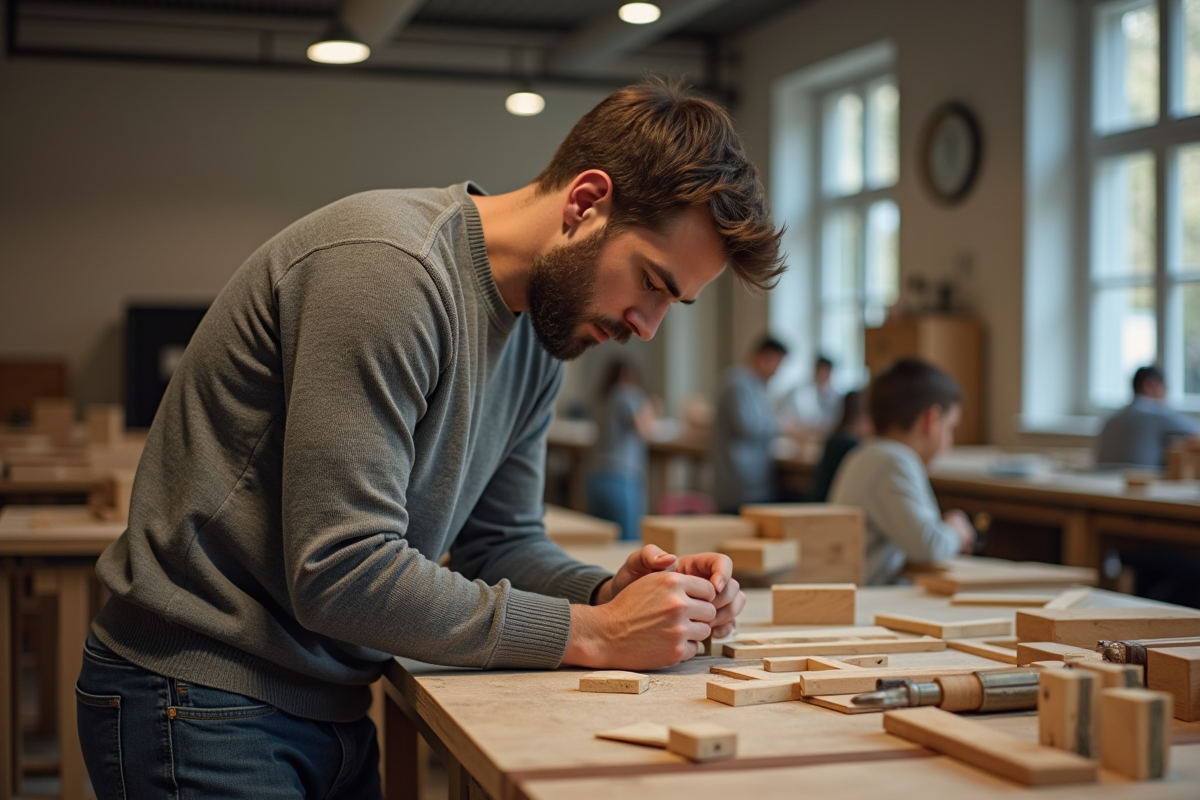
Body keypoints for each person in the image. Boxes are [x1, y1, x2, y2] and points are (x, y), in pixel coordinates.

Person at [77, 79, 784, 798]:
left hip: (332, 700)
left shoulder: (544, 336)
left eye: (675, 303)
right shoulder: (389, 270)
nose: (648, 326)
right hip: (202, 694)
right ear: (585, 203)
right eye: (653, 283)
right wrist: (594, 634)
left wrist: (612, 594)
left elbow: (499, 544)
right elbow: (341, 572)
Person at [828, 358, 976, 585]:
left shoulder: (865, 454)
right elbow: (928, 547)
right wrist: (956, 531)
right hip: (869, 598)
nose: (950, 441)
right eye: (949, 429)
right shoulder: (894, 461)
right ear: (931, 420)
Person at [711, 336, 789, 513]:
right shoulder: (738, 384)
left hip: (750, 481)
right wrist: (781, 426)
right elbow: (747, 427)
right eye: (778, 364)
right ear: (765, 357)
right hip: (740, 483)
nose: (778, 371)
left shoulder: (755, 385)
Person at [586, 359, 658, 540]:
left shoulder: (601, 397)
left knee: (601, 542)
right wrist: (652, 407)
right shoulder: (625, 394)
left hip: (595, 476)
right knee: (628, 544)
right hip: (620, 478)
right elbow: (643, 428)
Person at [1095, 366, 1200, 468]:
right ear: (1150, 385)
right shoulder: (1155, 413)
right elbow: (1196, 430)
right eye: (1164, 389)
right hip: (1140, 481)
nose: (1166, 396)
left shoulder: (1110, 420)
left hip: (1100, 483)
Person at [807, 390, 872, 502]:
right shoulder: (851, 446)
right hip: (829, 511)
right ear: (861, 417)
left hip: (818, 504)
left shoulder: (837, 437)